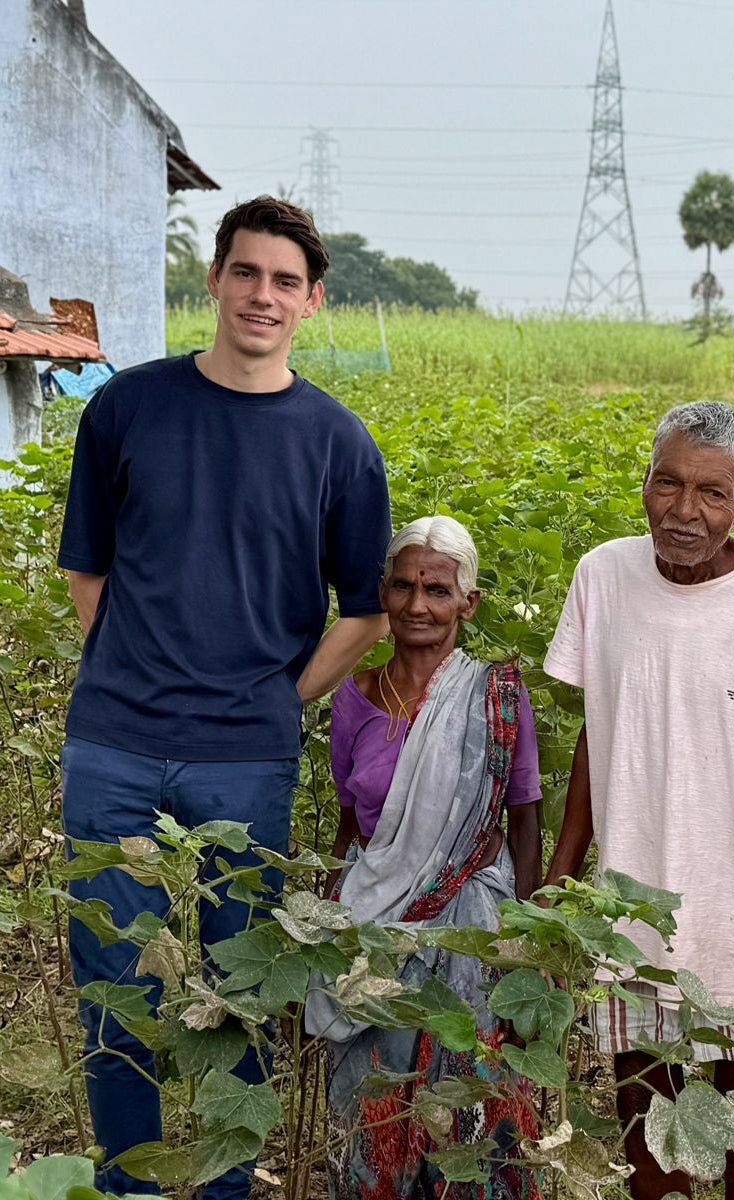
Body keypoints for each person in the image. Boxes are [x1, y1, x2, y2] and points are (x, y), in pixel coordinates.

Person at [57, 196, 392, 1199]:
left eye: (285, 281)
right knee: (113, 988)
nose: (263, 294)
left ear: (313, 300)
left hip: (244, 758)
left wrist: (274, 702)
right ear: (214, 279)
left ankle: (225, 1185)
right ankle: (125, 1183)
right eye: (246, 272)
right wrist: (135, 674)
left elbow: (364, 610)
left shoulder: (337, 441)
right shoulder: (128, 409)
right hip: (113, 745)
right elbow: (88, 572)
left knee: (236, 988)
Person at [543, 401, 734, 1200]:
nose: (683, 511)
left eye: (711, 493)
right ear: (644, 486)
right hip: (629, 914)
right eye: (667, 484)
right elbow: (599, 738)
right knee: (648, 1141)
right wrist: (562, 892)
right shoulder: (603, 574)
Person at [306, 516, 543, 1200]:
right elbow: (353, 828)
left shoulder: (496, 697)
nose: (418, 605)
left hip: (469, 919)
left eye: (437, 589)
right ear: (382, 592)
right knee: (373, 1096)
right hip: (373, 919)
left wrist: (522, 936)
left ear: (467, 601)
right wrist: (324, 926)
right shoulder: (353, 700)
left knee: (467, 1104)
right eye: (404, 586)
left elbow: (524, 819)